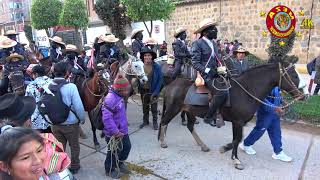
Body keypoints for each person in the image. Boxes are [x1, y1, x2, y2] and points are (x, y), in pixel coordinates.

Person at [240, 87, 293, 162]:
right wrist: (275, 108)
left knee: (276, 132)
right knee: (259, 130)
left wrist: (282, 101)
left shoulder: (276, 84)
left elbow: (277, 96)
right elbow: (261, 99)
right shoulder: (266, 82)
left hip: (275, 113)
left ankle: (278, 152)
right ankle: (246, 144)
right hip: (265, 113)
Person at [50, 61, 86, 174]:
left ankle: (60, 167)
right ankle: (75, 166)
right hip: (70, 124)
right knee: (74, 146)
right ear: (67, 73)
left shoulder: (48, 85)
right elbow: (79, 107)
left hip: (55, 124)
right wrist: (82, 118)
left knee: (59, 147)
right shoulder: (71, 86)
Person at [191, 18, 227, 128]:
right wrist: (208, 70)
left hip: (215, 72)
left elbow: (217, 59)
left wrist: (221, 69)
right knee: (222, 93)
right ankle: (209, 117)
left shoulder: (213, 43)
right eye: (213, 29)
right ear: (206, 32)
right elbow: (195, 63)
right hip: (204, 74)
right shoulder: (197, 43)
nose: (216, 31)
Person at [102, 75, 132, 179]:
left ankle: (120, 162)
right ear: (119, 90)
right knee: (113, 152)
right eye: (126, 90)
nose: (128, 91)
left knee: (127, 147)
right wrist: (115, 132)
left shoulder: (119, 96)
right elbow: (106, 118)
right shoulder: (110, 99)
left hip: (123, 130)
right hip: (114, 133)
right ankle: (109, 169)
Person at [138, 47, 163, 130]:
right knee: (144, 107)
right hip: (143, 90)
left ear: (152, 56)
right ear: (143, 57)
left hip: (153, 91)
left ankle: (155, 122)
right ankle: (145, 121)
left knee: (154, 108)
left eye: (149, 55)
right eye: (145, 55)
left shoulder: (156, 66)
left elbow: (160, 80)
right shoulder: (140, 65)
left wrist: (156, 91)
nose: (147, 57)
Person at [25, 65, 53, 133]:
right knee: (52, 141)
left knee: (40, 141)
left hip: (37, 120)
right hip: (52, 119)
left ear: (36, 74)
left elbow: (28, 102)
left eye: (32, 74)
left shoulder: (31, 85)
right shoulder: (52, 82)